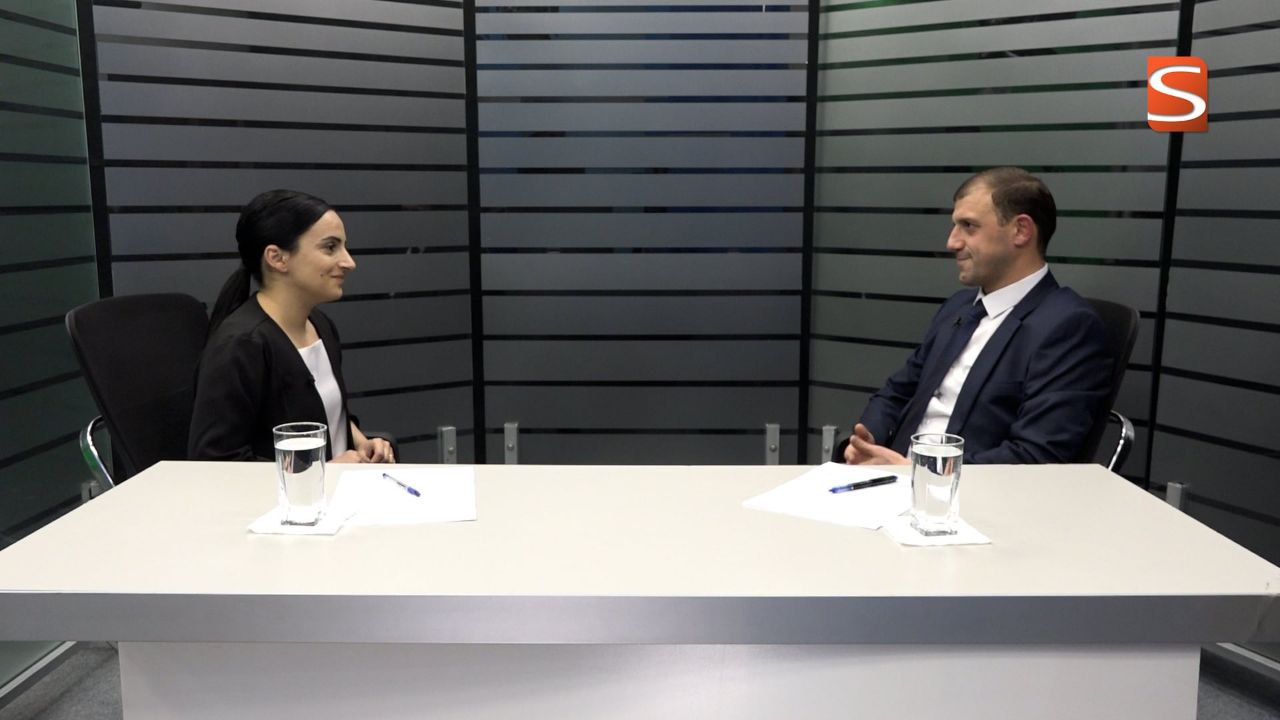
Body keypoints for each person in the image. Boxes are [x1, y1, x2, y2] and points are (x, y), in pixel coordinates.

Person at [844, 167, 1112, 465]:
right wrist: (868, 440)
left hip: (960, 488)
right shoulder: (958, 308)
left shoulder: (1069, 327)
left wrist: (919, 471)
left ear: (1021, 231)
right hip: (891, 476)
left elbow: (1036, 456)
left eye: (968, 226)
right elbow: (897, 392)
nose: (952, 242)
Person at [188, 189, 395, 464]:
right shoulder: (241, 344)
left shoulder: (321, 326)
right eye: (330, 247)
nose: (349, 262)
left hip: (337, 487)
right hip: (297, 493)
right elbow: (216, 461)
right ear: (277, 258)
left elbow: (326, 412)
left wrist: (362, 442)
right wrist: (322, 471)